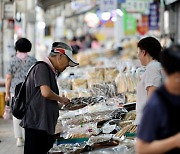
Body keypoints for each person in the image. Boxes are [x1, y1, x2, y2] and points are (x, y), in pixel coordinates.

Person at [20, 42, 79, 154]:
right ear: (60, 56)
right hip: (37, 124)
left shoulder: (49, 70)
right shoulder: (42, 67)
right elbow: (46, 93)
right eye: (68, 61)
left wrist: (61, 106)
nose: (67, 66)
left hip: (43, 124)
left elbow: (44, 99)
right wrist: (61, 99)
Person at [135, 44, 180, 154]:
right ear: (165, 72)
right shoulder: (156, 104)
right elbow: (141, 148)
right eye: (178, 78)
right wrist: (175, 142)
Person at [5, 38, 37, 147]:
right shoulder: (33, 60)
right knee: (29, 113)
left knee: (16, 113)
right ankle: (27, 135)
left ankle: (19, 138)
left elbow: (8, 78)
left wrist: (7, 92)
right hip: (30, 90)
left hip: (16, 91)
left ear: (17, 47)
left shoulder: (13, 60)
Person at [134, 36, 165, 125]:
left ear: (143, 52)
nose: (138, 55)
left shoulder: (153, 68)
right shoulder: (156, 66)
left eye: (138, 52)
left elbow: (152, 98)